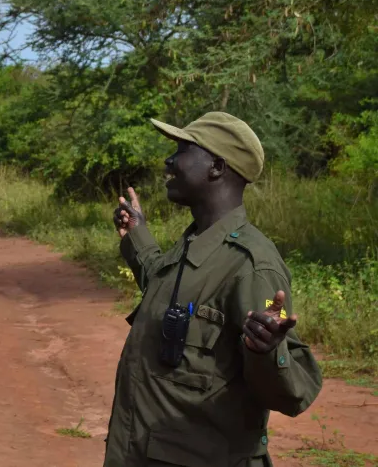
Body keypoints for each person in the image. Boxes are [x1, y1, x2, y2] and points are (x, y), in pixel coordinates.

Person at [107, 111, 322, 466]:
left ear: (217, 167)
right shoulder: (195, 241)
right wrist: (137, 235)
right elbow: (167, 290)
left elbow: (293, 391)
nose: (169, 160)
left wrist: (267, 349)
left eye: (183, 149)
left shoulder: (252, 266)